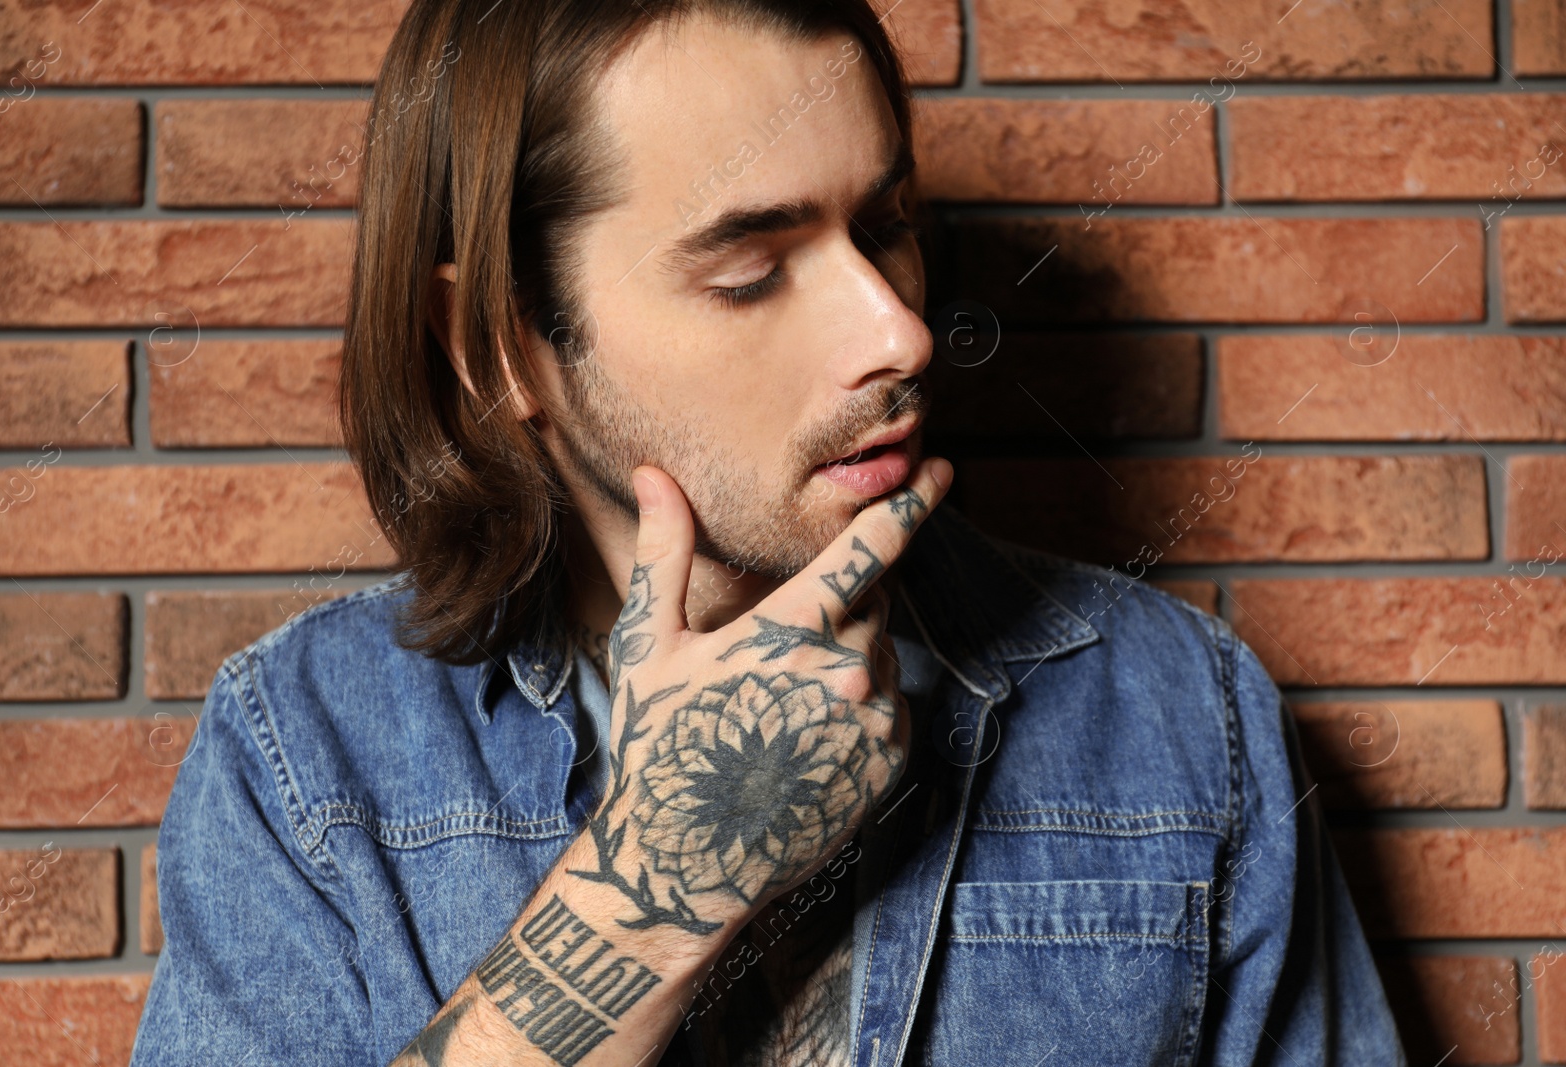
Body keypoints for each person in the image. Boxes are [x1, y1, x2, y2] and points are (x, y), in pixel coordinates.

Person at [127, 0, 1408, 1064]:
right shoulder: (305, 756)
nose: (898, 333)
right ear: (499, 343)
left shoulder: (1182, 715)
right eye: (750, 269)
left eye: (886, 227)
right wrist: (657, 888)